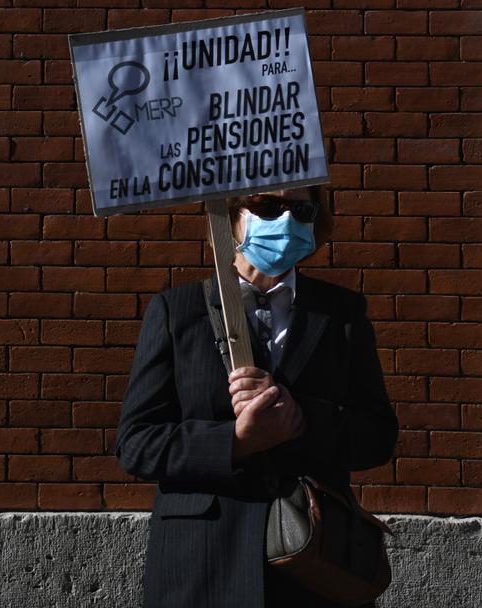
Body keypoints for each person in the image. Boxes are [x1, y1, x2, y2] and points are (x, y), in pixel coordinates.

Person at [115, 185, 399, 608]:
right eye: (268, 205)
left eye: (301, 208)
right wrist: (234, 443)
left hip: (313, 571)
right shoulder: (177, 312)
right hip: (203, 565)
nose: (285, 221)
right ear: (231, 215)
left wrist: (301, 418)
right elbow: (136, 444)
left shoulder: (341, 315)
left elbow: (377, 436)